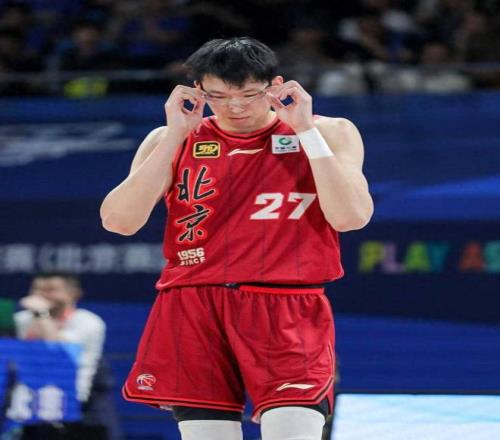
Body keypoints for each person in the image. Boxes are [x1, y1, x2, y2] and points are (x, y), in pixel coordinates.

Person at [100, 37, 373, 440]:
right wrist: (175, 135)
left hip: (286, 305)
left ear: (276, 86)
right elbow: (119, 221)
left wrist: (303, 130)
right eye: (219, 96)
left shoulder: (328, 131)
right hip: (193, 305)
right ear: (197, 91)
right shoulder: (170, 138)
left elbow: (352, 217)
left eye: (249, 94)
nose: (236, 107)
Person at [13, 272, 118, 439]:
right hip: (30, 408)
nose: (41, 295)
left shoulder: (88, 321)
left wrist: (41, 314)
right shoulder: (21, 320)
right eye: (37, 289)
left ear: (74, 294)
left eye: (50, 289)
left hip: (79, 411)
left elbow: (61, 351)